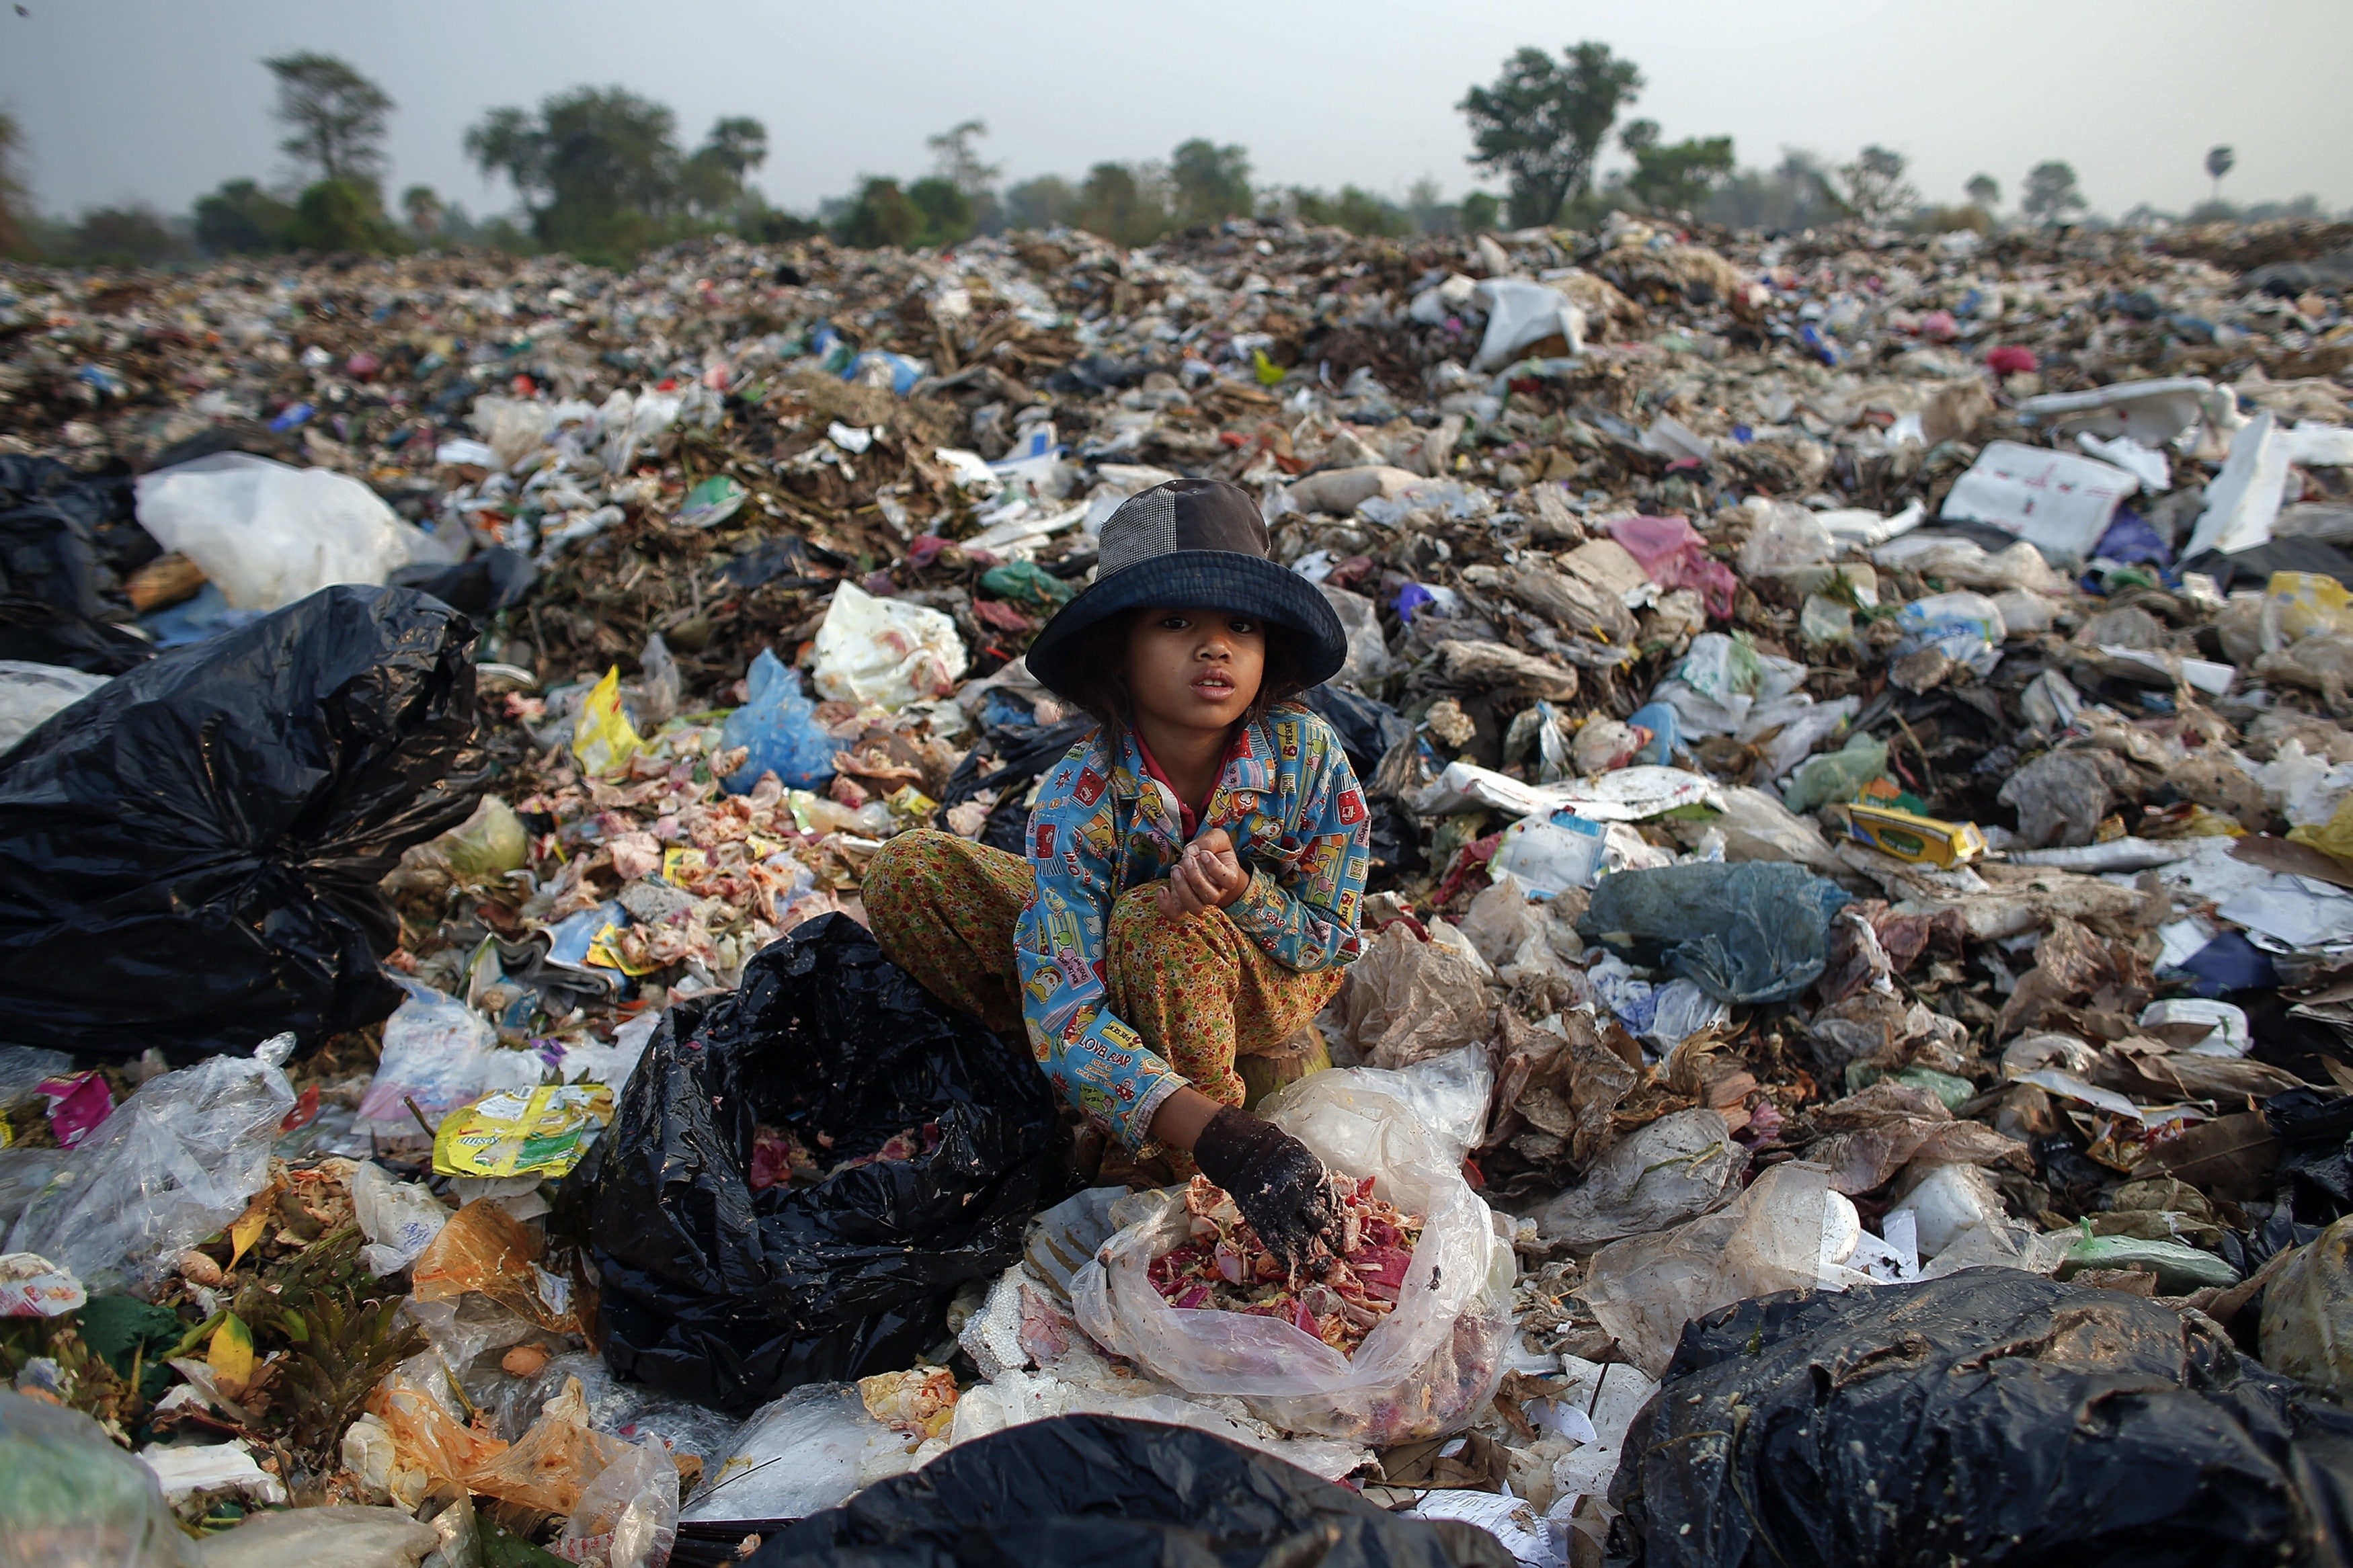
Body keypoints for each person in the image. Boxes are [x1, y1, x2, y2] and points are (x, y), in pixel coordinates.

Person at [865, 478, 1372, 1269]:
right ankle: (1144, 1103)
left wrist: (1245, 894)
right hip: (1124, 980)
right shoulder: (1078, 795)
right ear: (1117, 652)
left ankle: (1186, 1168)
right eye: (1175, 622)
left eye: (1240, 624)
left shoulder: (1307, 758)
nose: (1215, 647)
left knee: (1155, 925)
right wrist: (1220, 1133)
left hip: (1265, 983)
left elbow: (1330, 942)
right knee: (909, 868)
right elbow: (1064, 1001)